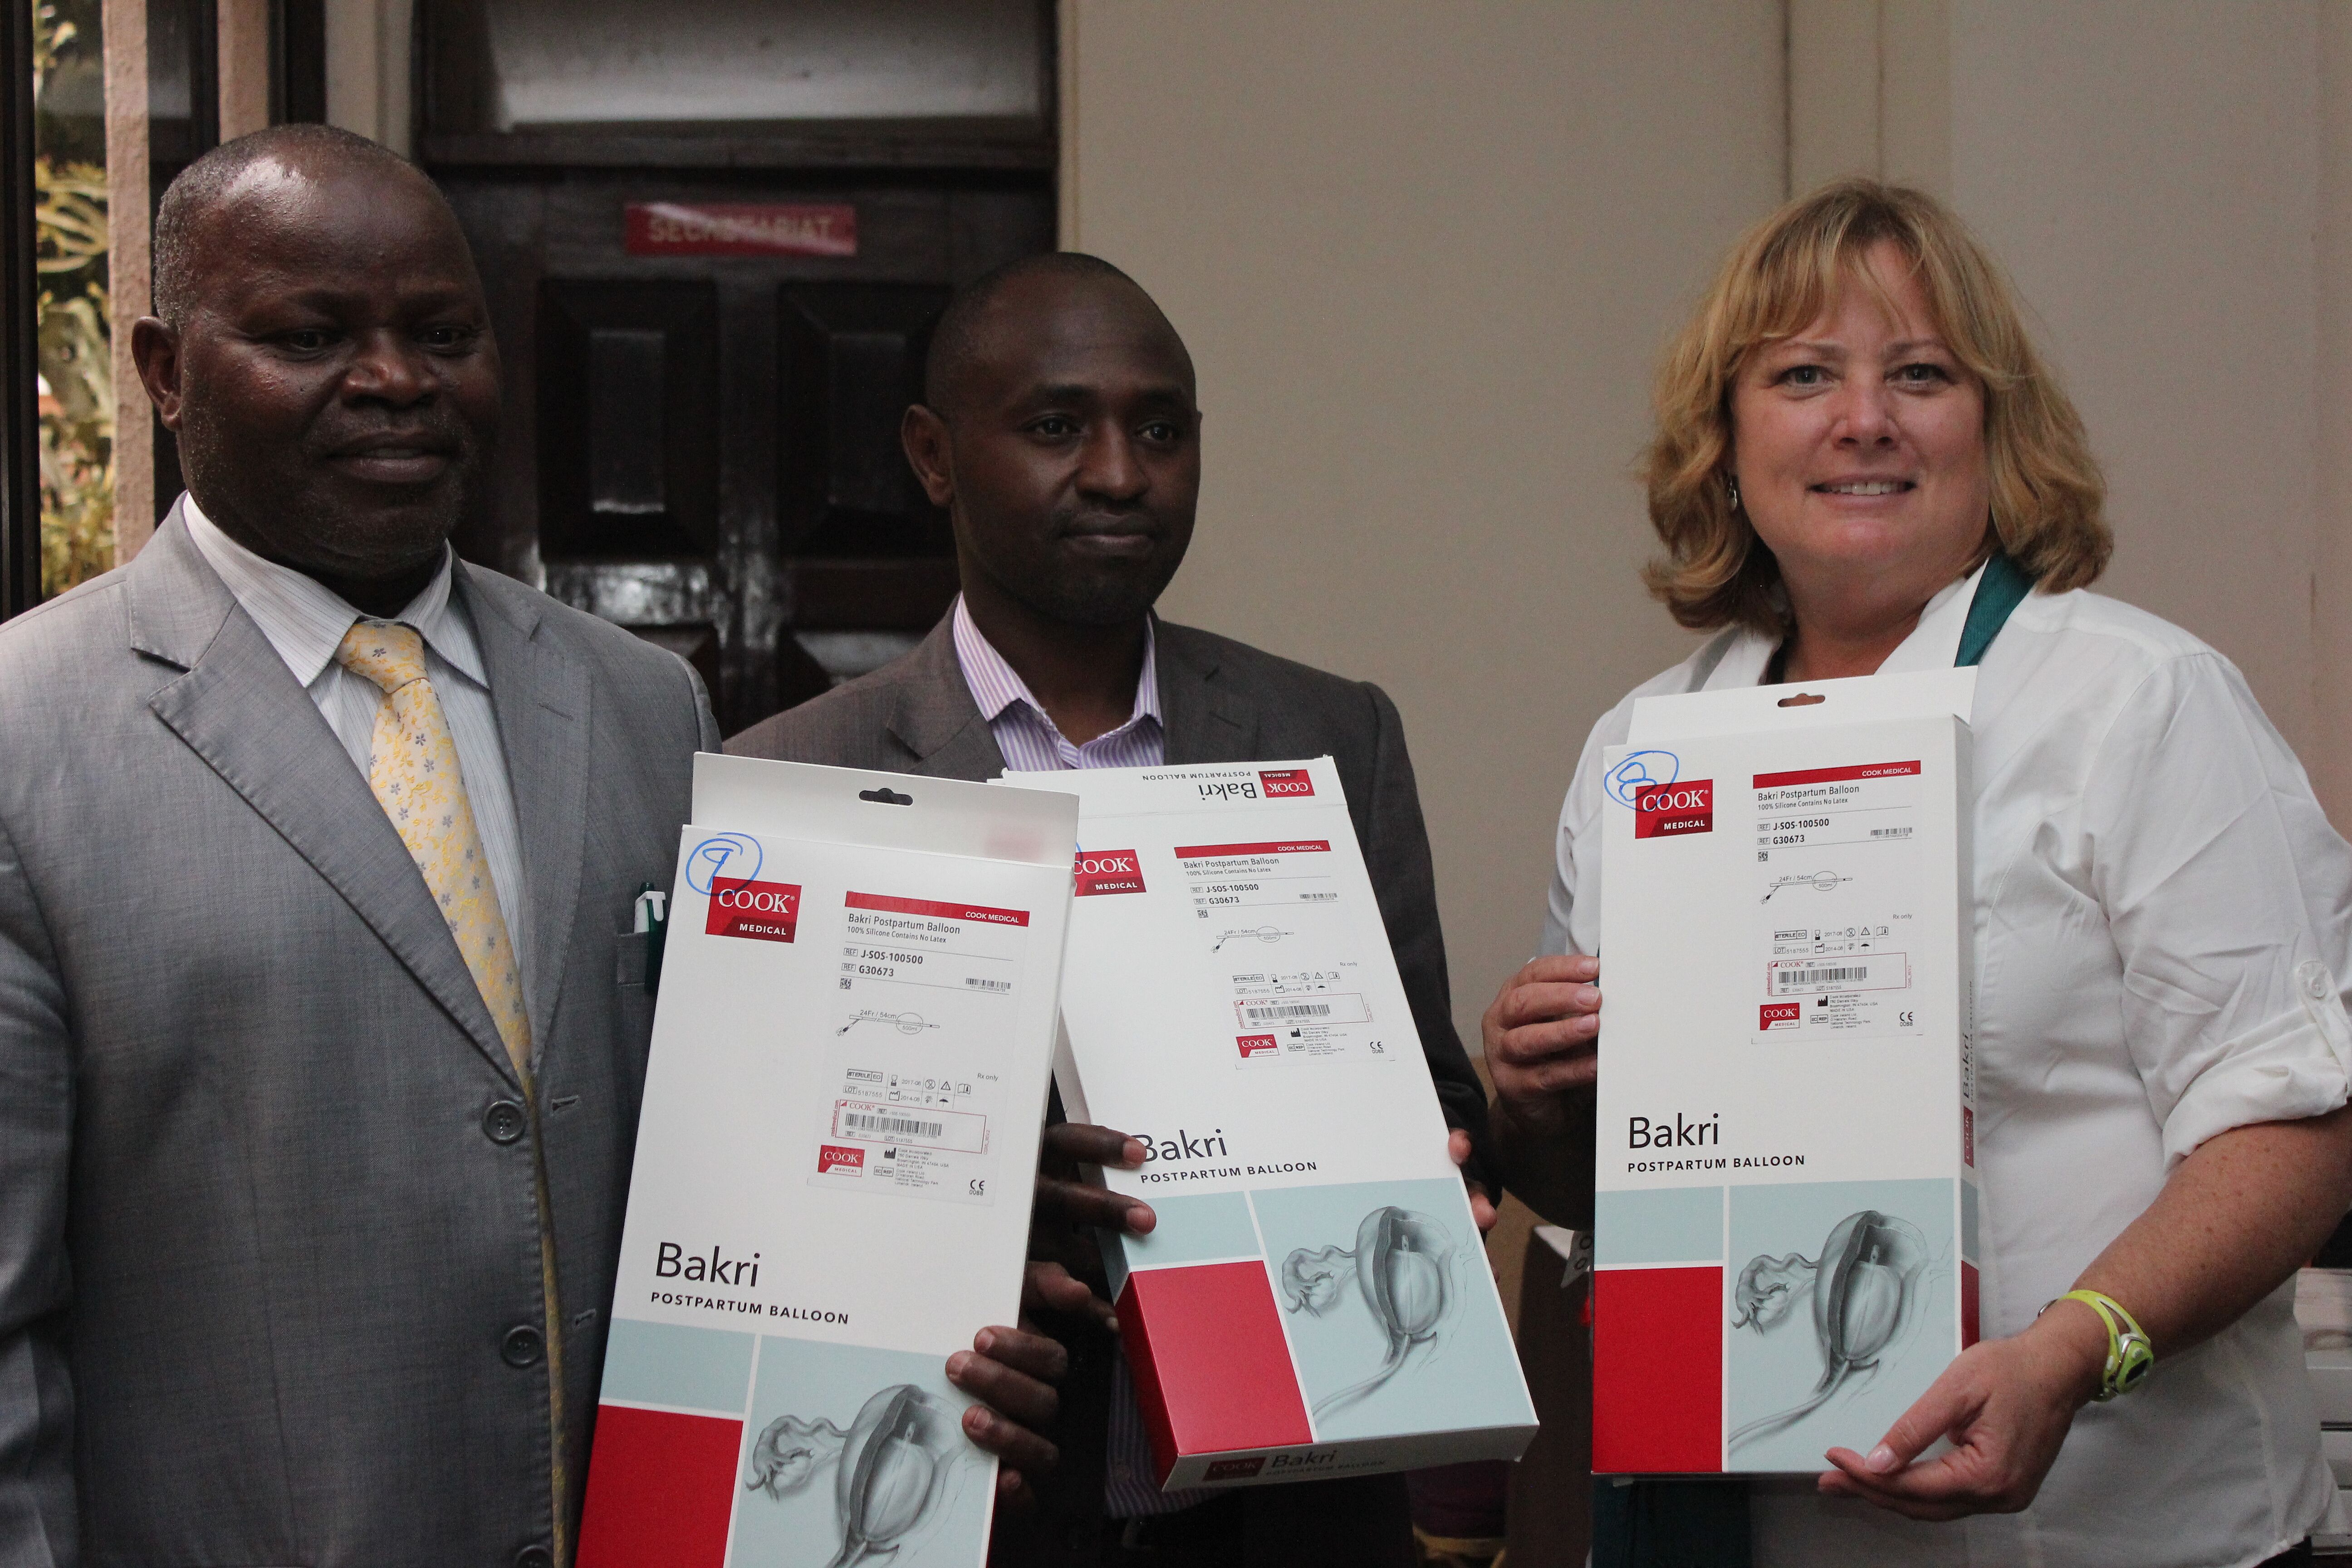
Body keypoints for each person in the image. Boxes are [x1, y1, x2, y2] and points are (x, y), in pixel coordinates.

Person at [0, 125, 1063, 1567]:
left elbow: (743, 1155)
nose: (395, 379)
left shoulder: (641, 704)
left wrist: (922, 1326)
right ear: (165, 368)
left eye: (445, 334)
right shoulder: (28, 736)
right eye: (311, 335)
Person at [1486, 177, 2352, 1568]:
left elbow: (2296, 1128)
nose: (1864, 419)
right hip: (1747, 1534)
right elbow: (1618, 1194)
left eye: (1922, 375)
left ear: (1996, 427)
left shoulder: (2138, 702)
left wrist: (2073, 1351)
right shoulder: (1643, 748)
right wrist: (1536, 1103)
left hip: (2120, 1534)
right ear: (1726, 440)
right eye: (1804, 376)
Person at [728, 251, 1494, 1567]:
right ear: (932, 456)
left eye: (1161, 430)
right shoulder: (797, 781)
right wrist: (965, 1199)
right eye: (1054, 427)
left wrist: (1441, 1172)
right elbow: (745, 1201)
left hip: (1294, 1520)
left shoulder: (1330, 736)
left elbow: (1435, 1090)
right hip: (976, 1507)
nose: (1120, 474)